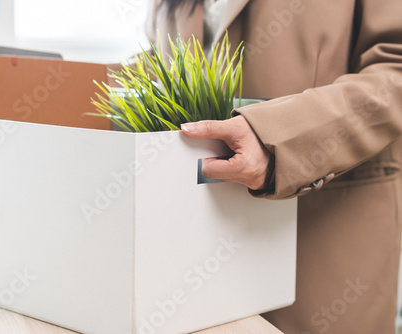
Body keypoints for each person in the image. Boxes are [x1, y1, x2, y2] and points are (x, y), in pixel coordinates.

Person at [144, 0, 402, 333]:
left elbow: (395, 68)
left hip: (323, 233)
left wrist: (277, 138)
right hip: (197, 251)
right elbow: (157, 62)